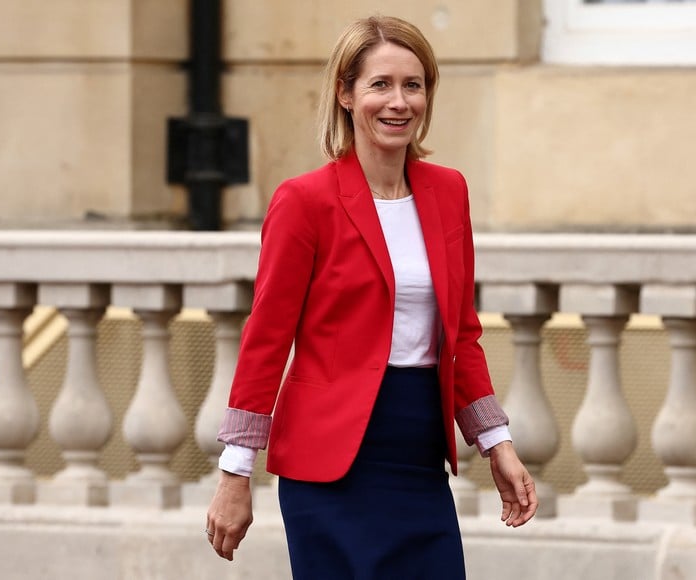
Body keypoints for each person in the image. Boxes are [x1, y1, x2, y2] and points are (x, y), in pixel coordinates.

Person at [205, 14, 538, 578]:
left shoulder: (448, 191)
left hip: (417, 453)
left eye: (413, 85)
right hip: (329, 465)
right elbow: (265, 341)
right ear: (345, 93)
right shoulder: (304, 201)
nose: (399, 102)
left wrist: (495, 441)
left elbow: (460, 334)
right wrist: (236, 473)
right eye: (380, 84)